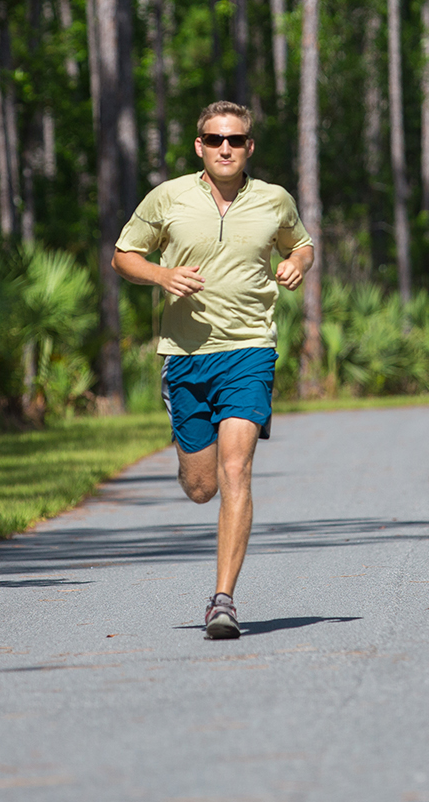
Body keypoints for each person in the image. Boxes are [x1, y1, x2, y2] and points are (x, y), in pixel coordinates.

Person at [112, 101, 314, 639]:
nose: (227, 147)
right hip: (185, 355)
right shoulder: (169, 197)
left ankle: (222, 600)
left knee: (235, 472)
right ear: (199, 145)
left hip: (250, 351)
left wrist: (296, 261)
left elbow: (302, 242)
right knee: (201, 487)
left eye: (237, 139)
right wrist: (161, 274)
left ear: (250, 146)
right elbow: (123, 255)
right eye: (215, 138)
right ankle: (184, 446)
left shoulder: (274, 199)